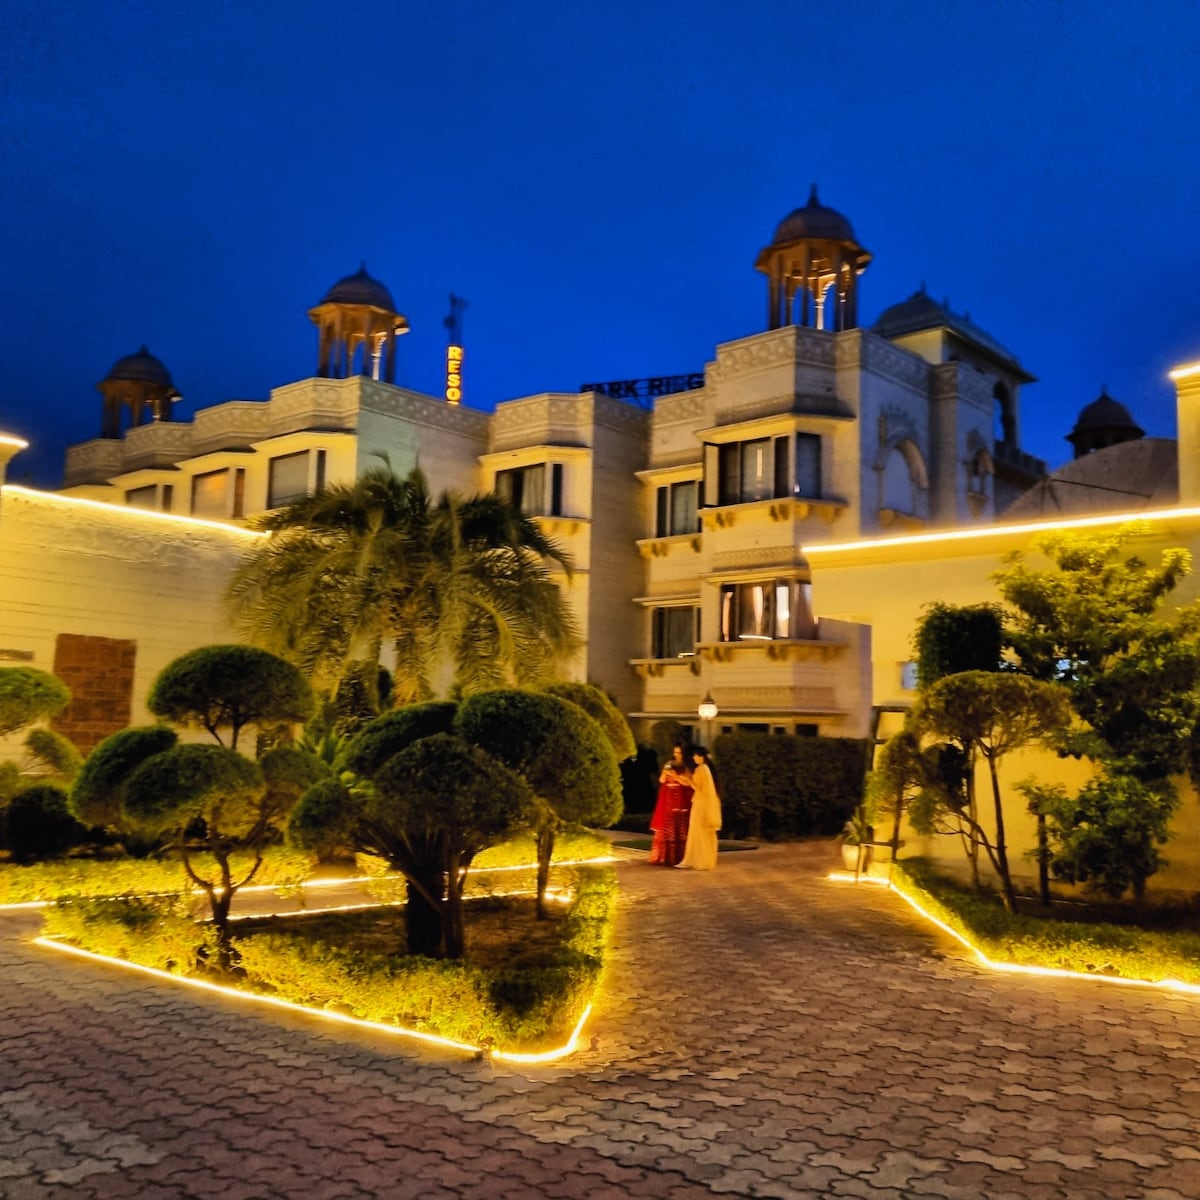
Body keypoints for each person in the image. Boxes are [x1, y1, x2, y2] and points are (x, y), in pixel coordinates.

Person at [648, 742, 693, 866]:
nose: (676, 755)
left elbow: (689, 783)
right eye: (675, 752)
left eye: (679, 752)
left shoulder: (687, 766)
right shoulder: (669, 764)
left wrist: (676, 776)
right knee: (667, 825)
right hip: (668, 799)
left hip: (681, 799)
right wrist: (665, 773)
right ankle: (665, 857)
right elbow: (662, 780)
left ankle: (679, 857)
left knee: (680, 826)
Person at [677, 746, 721, 871]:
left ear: (701, 757)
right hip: (701, 802)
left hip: (700, 803)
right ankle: (702, 859)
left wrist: (688, 780)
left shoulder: (701, 769)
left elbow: (699, 788)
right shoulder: (705, 769)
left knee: (697, 830)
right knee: (702, 831)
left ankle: (696, 860)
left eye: (695, 755)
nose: (693, 757)